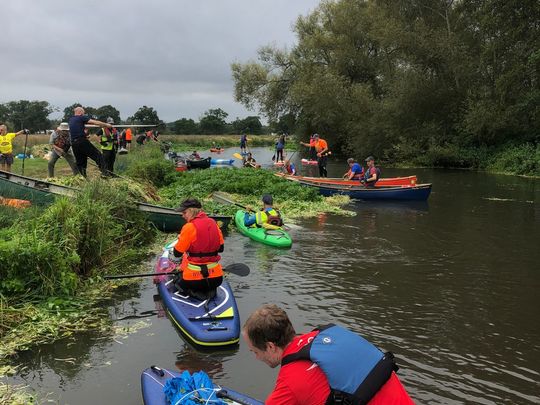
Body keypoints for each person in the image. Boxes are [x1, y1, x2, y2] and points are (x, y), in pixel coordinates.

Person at [243, 304, 415, 405]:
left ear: (270, 346)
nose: (256, 357)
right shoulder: (326, 334)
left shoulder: (289, 383)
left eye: (255, 352)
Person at [168, 198, 224, 297]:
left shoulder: (189, 227)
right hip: (216, 279)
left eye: (184, 212)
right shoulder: (213, 223)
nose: (182, 215)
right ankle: (209, 291)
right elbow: (221, 248)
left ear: (191, 211)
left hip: (193, 281)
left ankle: (193, 293)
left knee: (177, 282)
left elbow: (177, 253)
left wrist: (181, 239)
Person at [68, 107, 111, 177]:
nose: (83, 114)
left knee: (81, 162)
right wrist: (107, 125)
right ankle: (105, 173)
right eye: (83, 113)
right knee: (98, 155)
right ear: (80, 112)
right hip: (81, 141)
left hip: (74, 143)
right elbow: (95, 122)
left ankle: (82, 178)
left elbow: (76, 129)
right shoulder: (81, 117)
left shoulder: (71, 119)